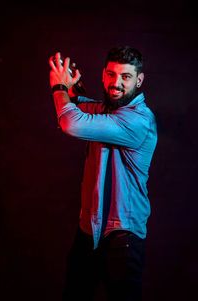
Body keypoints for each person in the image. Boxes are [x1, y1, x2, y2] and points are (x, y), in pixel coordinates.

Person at [49, 46, 158, 301]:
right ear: (103, 75)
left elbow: (71, 122)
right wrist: (73, 87)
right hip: (90, 232)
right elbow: (81, 107)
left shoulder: (138, 121)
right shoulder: (109, 110)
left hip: (123, 239)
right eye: (111, 75)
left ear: (139, 81)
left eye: (125, 77)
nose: (116, 83)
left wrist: (59, 88)